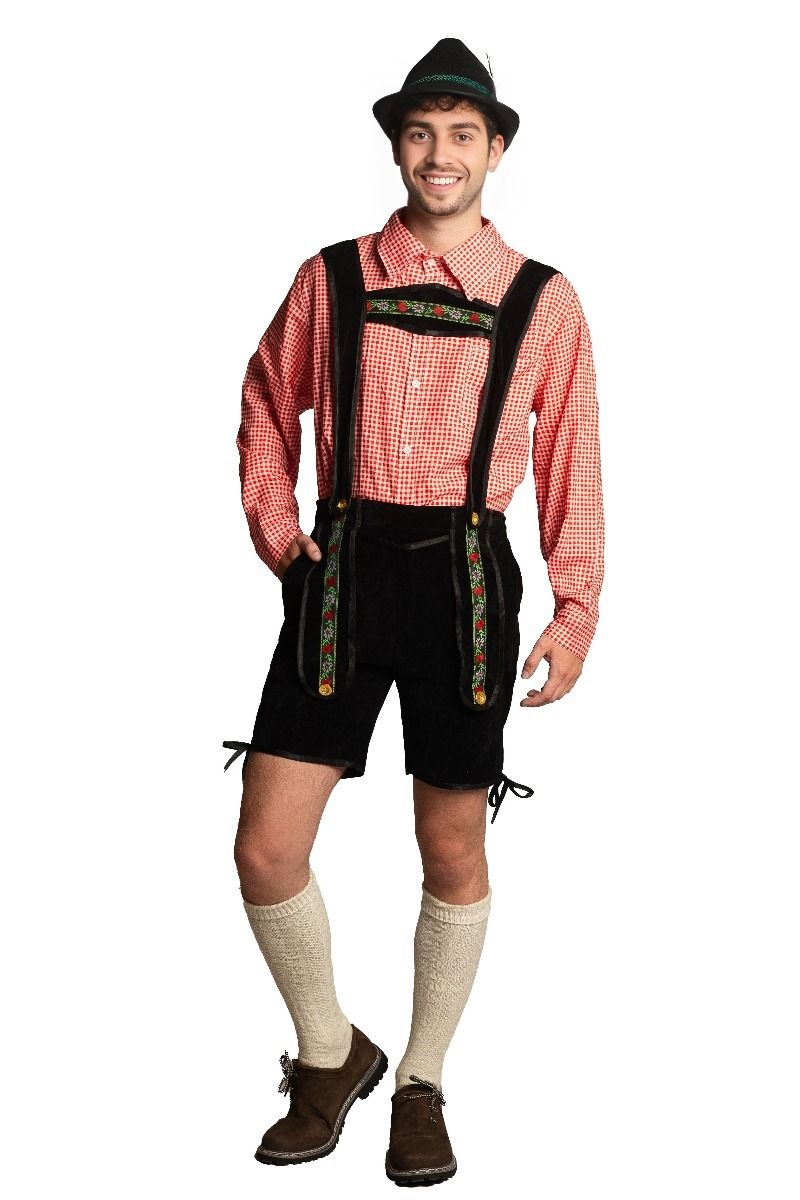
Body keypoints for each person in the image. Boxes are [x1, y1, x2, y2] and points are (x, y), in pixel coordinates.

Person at [222, 36, 604, 1186]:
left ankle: (421, 1081)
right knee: (265, 847)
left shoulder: (540, 300)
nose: (440, 154)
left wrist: (574, 610)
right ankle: (330, 1053)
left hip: (464, 584)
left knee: (450, 843)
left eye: (462, 134)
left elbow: (571, 457)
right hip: (340, 574)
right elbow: (264, 404)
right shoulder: (332, 278)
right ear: (397, 147)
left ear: (495, 150)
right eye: (421, 133)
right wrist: (283, 540)